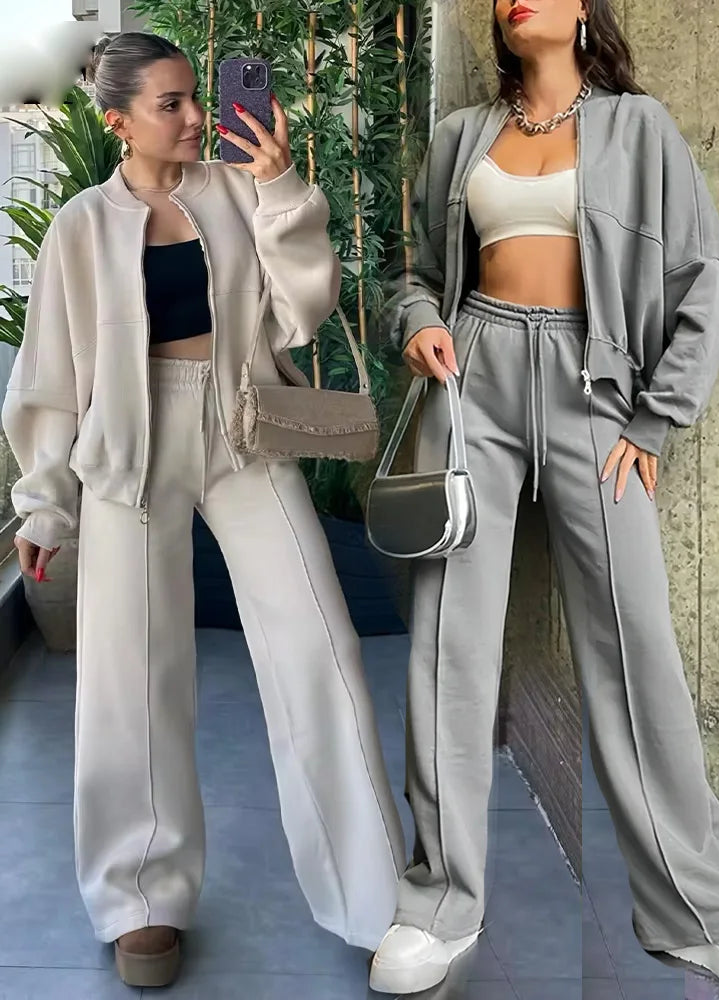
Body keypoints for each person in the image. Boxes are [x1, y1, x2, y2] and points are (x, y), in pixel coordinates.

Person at [1, 32, 406, 989]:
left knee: (320, 646)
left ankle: (377, 896)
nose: (194, 118)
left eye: (196, 98)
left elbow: (302, 309)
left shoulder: (234, 191)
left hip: (241, 430)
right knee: (131, 677)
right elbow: (50, 379)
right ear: (117, 121)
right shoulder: (80, 227)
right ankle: (141, 899)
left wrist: (279, 188)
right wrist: (44, 504)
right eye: (170, 104)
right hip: (128, 450)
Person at [368, 0, 719, 994]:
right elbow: (413, 274)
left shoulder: (638, 127)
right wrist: (419, 320)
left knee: (636, 648)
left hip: (594, 386)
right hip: (474, 377)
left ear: (586, 10)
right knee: (448, 644)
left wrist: (656, 420)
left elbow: (712, 274)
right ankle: (438, 904)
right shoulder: (465, 136)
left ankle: (702, 911)